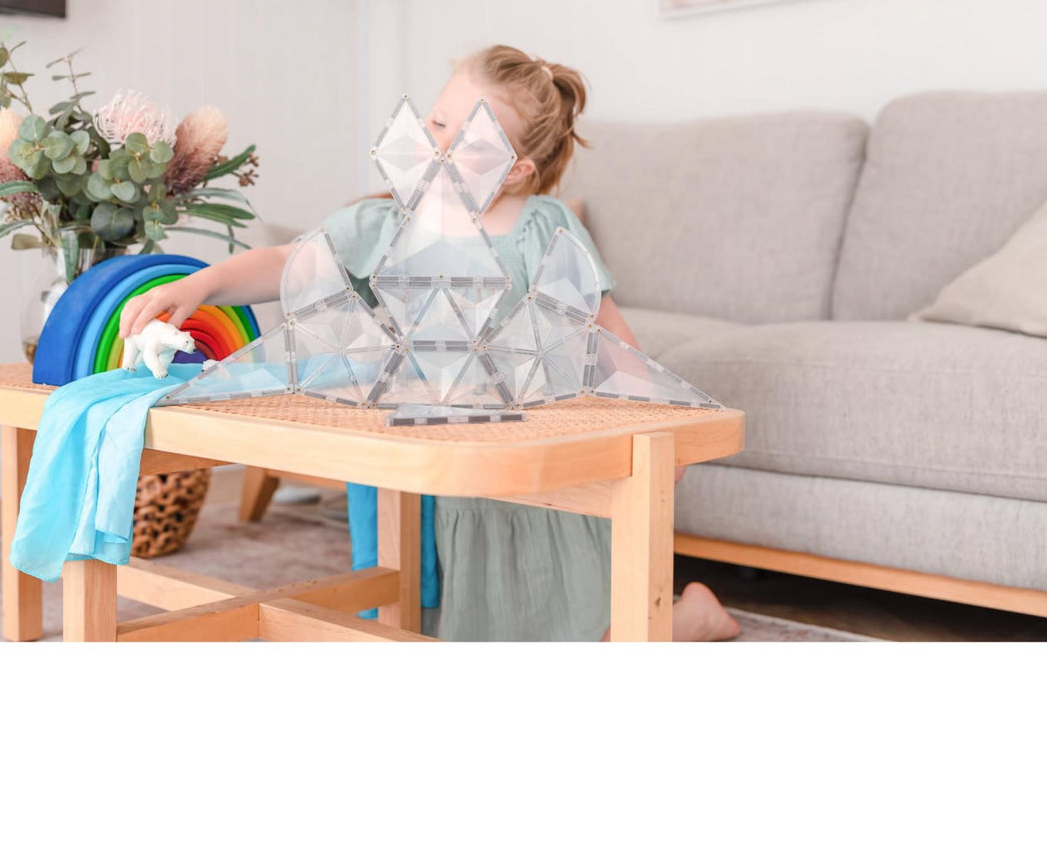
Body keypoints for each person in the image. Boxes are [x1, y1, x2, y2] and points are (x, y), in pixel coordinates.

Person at [119, 44, 740, 642]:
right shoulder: (384, 222)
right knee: (450, 630)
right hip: (440, 476)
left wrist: (665, 431)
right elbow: (287, 262)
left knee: (585, 638)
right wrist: (201, 284)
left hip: (537, 479)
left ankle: (690, 618)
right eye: (438, 122)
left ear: (517, 169)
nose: (440, 144)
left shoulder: (545, 228)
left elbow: (607, 337)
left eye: (471, 139)